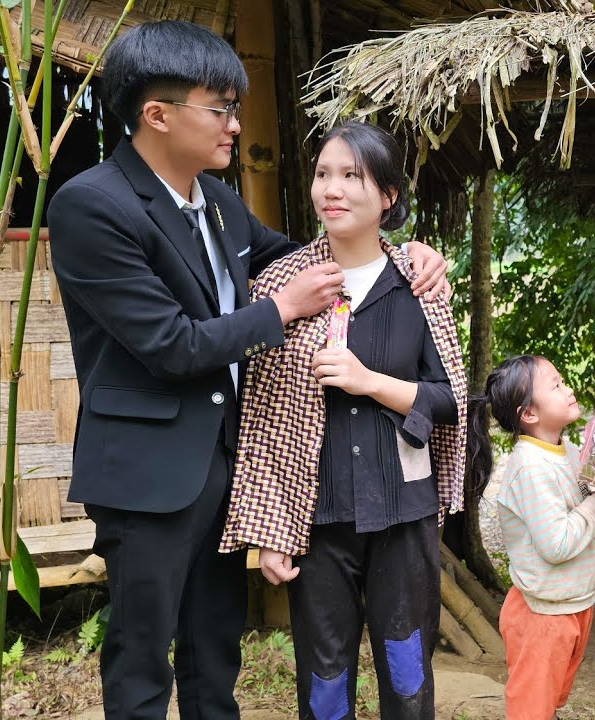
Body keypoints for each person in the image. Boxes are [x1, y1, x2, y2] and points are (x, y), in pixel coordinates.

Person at [48, 23, 449, 720]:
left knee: (215, 651)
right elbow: (170, 344)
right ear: (158, 113)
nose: (236, 124)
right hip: (148, 474)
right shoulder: (92, 205)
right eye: (222, 108)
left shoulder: (220, 205)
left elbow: (308, 255)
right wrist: (282, 311)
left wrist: (403, 253)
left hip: (223, 466)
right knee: (143, 658)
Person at [220, 121, 465, 720]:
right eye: (323, 174)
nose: (332, 188)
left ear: (387, 196)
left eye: (352, 176)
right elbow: (264, 419)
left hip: (404, 517)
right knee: (324, 686)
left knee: (408, 679)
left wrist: (368, 381)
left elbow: (447, 401)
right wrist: (273, 534)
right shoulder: (284, 284)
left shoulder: (418, 283)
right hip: (318, 522)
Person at [467, 355, 595, 720]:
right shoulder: (531, 468)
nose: (568, 390)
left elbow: (582, 520)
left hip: (571, 602)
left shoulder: (565, 452)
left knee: (546, 705)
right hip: (542, 615)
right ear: (529, 414)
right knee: (531, 709)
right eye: (556, 386)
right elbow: (557, 545)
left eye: (563, 381)